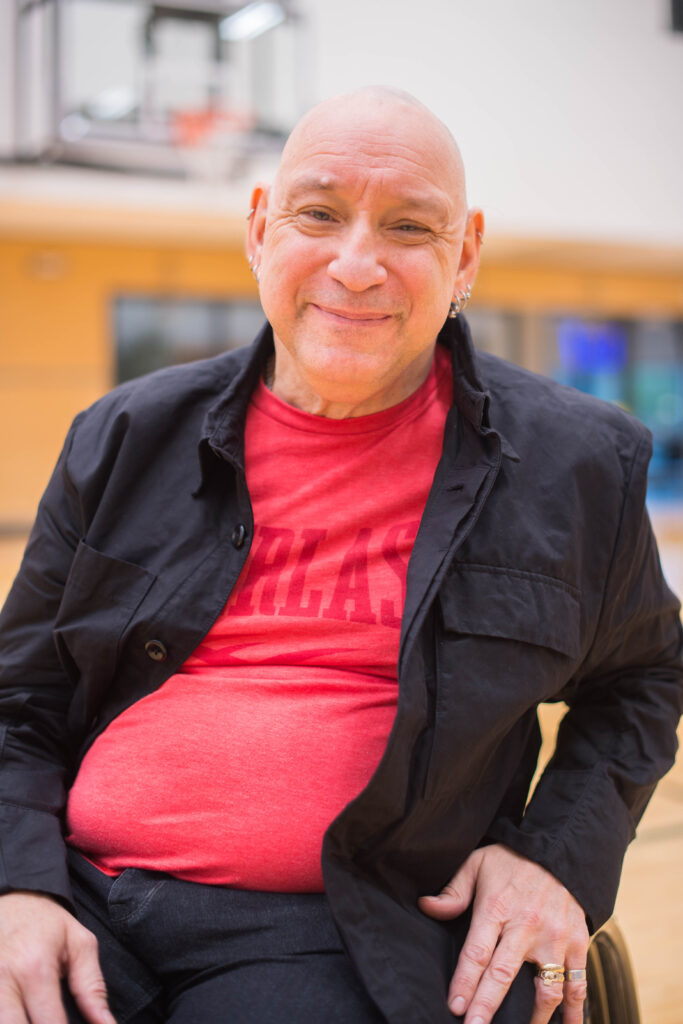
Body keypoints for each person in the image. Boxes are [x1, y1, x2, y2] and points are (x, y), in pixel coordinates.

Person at [0, 86, 680, 1024]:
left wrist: (554, 857)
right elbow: (18, 698)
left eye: (408, 227)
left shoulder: (575, 464)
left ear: (465, 255)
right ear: (257, 231)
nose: (355, 265)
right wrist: (16, 886)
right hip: (72, 897)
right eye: (317, 214)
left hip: (335, 927)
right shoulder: (123, 436)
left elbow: (643, 676)